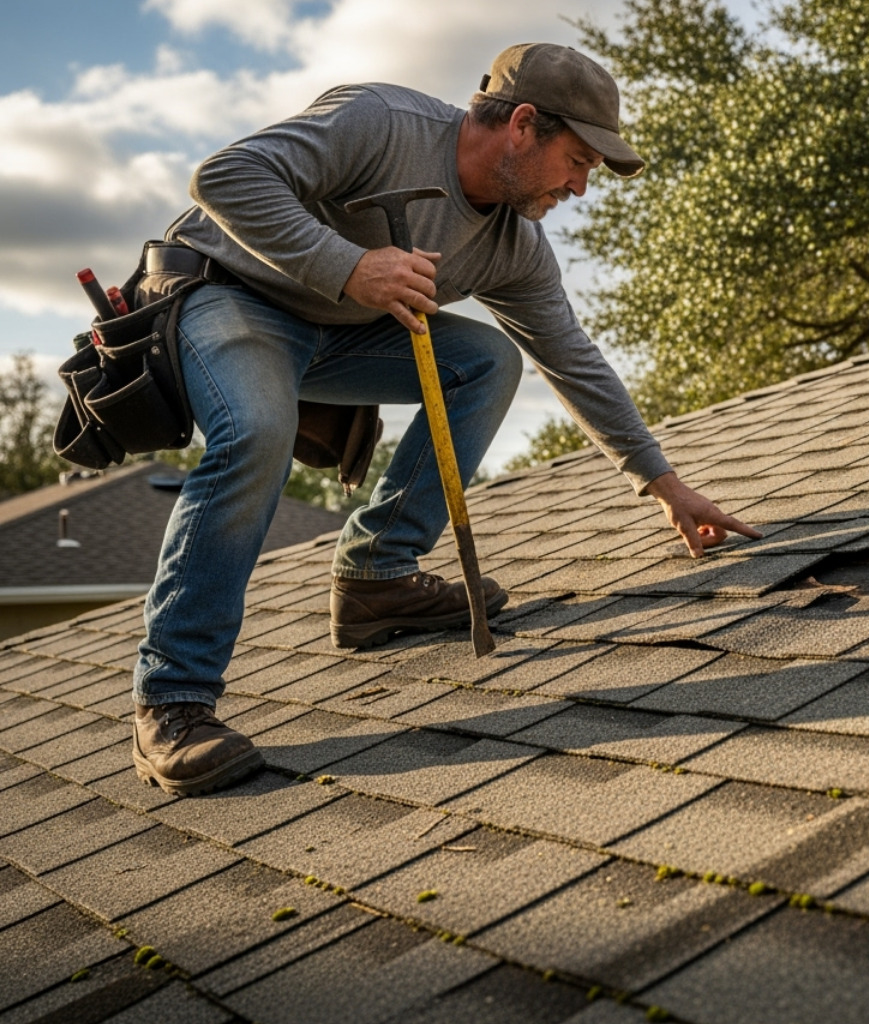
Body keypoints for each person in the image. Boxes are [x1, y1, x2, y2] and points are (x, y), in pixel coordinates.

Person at [130, 43, 759, 797]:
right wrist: (350, 267)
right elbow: (222, 178)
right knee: (256, 430)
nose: (582, 188)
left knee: (490, 362)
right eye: (580, 161)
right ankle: (171, 702)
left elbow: (573, 359)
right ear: (523, 124)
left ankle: (377, 576)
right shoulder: (381, 122)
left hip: (335, 329)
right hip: (226, 293)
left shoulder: (513, 248)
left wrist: (663, 483)